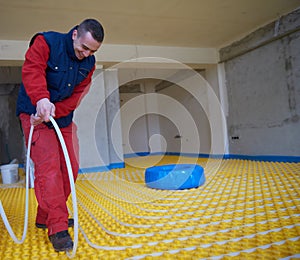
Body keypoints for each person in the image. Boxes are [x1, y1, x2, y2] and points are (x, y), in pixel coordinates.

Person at [16, 18, 104, 252]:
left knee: (70, 168)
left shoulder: (89, 63)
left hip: (61, 118)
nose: (86, 54)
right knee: (49, 170)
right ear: (75, 34)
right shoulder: (46, 42)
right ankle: (57, 227)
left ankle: (45, 216)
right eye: (84, 47)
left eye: (92, 51)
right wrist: (41, 102)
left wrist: (54, 111)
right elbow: (32, 70)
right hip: (33, 113)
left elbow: (75, 96)